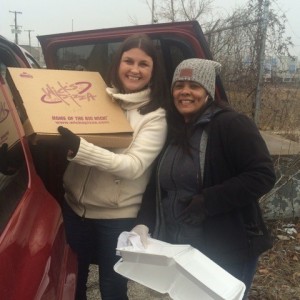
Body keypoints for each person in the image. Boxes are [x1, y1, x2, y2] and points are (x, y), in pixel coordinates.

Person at [133, 58, 276, 299]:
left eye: (194, 86)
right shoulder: (174, 130)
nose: (185, 92)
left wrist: (208, 201)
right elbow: (158, 185)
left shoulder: (232, 125)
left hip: (226, 248)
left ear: (208, 92)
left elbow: (262, 175)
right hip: (178, 247)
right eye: (179, 86)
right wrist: (143, 222)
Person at [57, 33, 169, 300]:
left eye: (143, 64)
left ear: (153, 71)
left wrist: (82, 150)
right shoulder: (96, 99)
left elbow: (133, 166)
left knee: (112, 287)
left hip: (115, 218)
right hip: (74, 209)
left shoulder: (155, 116)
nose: (134, 69)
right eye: (128, 60)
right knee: (73, 281)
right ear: (117, 63)